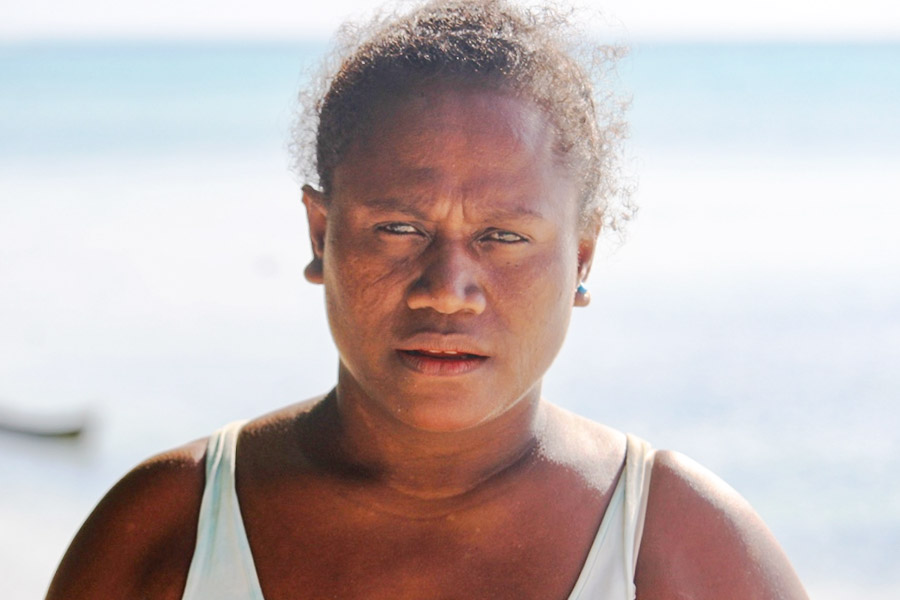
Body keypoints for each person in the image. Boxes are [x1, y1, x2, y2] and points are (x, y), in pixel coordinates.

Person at [47, 1, 809, 598]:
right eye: (400, 227)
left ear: (580, 256)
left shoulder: (676, 548)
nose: (447, 289)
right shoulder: (171, 531)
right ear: (321, 235)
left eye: (503, 236)